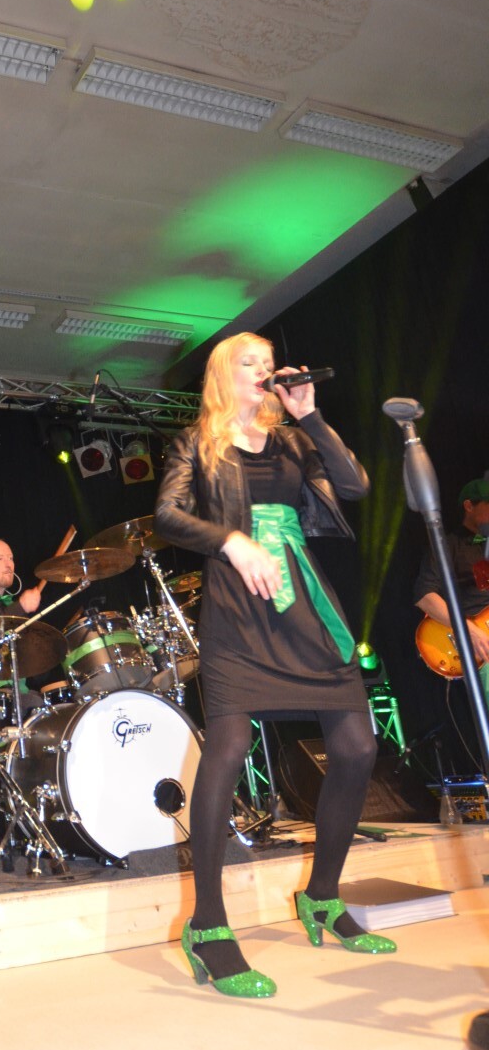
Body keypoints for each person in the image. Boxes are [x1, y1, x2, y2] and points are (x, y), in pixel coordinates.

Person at [154, 331, 395, 999]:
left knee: (357, 746)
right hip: (239, 607)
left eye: (269, 362)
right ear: (222, 375)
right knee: (229, 747)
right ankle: (207, 924)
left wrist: (311, 414)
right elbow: (167, 514)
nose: (263, 370)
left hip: (303, 602)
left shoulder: (293, 439)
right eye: (249, 362)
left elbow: (355, 485)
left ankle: (322, 895)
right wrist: (230, 539)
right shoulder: (195, 442)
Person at [414, 478, 489, 685]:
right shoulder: (448, 545)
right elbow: (424, 596)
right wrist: (470, 631)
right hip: (480, 646)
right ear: (469, 506)